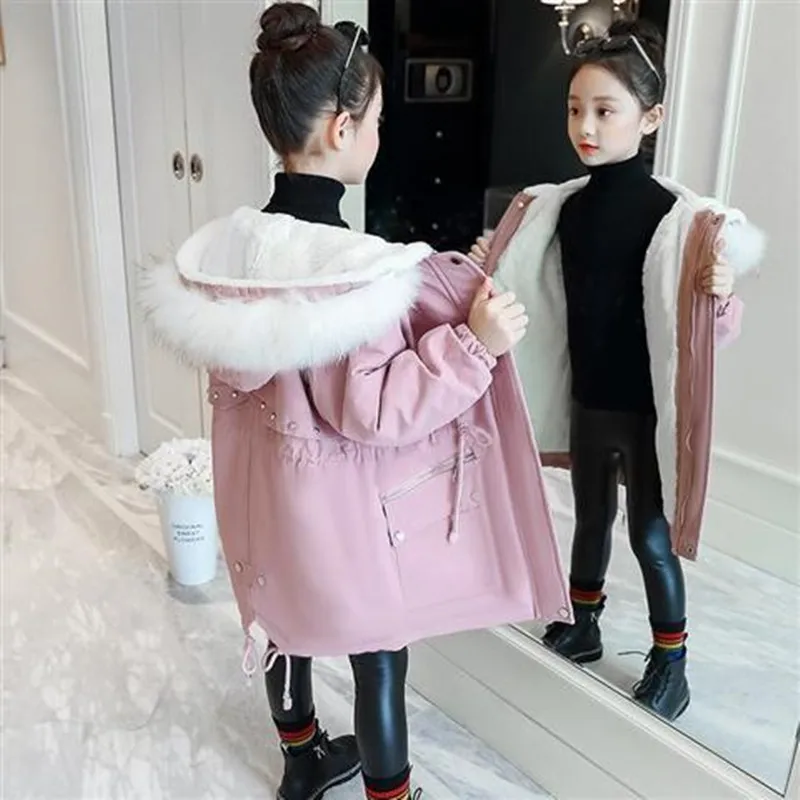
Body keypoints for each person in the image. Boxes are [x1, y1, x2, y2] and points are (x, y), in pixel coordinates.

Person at [140, 4, 570, 798]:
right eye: (375, 121)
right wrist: (473, 344)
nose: (377, 136)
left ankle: (302, 761)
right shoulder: (352, 271)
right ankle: (388, 791)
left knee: (280, 625)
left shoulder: (230, 251)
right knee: (379, 652)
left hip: (261, 503)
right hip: (338, 514)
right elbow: (376, 411)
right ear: (342, 129)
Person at [470, 19, 764, 722]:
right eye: (575, 109)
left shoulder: (678, 219)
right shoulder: (558, 209)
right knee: (590, 518)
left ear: (650, 118)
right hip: (590, 398)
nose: (586, 126)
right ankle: (584, 621)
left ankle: (671, 661)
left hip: (643, 406)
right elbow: (526, 281)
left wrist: (720, 296)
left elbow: (704, 333)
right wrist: (490, 261)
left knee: (650, 535)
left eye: (605, 111)